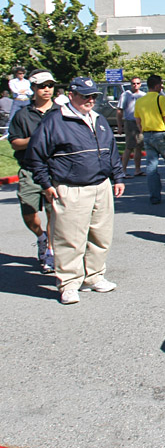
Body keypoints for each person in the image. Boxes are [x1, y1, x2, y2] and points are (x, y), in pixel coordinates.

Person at [24, 77, 125, 305]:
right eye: (84, 96)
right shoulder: (55, 121)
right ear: (71, 95)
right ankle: (69, 284)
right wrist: (46, 184)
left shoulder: (98, 119)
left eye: (92, 96)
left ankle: (94, 276)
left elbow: (111, 152)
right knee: (69, 238)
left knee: (101, 236)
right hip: (70, 187)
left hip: (101, 186)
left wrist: (117, 177)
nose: (89, 100)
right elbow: (36, 156)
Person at [8, 70, 57, 272]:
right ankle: (41, 237)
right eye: (42, 86)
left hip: (54, 170)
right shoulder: (22, 115)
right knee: (28, 213)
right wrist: (35, 139)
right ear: (33, 89)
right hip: (29, 170)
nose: (46, 90)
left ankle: (50, 253)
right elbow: (15, 142)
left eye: (50, 85)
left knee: (53, 213)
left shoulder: (61, 112)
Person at [134, 75, 165, 204]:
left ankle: (155, 196)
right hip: (161, 134)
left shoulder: (140, 101)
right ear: (156, 86)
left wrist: (143, 131)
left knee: (151, 167)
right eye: (161, 85)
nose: (162, 87)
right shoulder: (159, 99)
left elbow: (138, 121)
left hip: (147, 134)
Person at [117, 76, 146, 177]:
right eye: (134, 83)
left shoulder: (143, 95)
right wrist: (120, 125)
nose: (135, 85)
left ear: (140, 84)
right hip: (130, 122)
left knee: (139, 146)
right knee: (129, 146)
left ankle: (137, 170)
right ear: (131, 84)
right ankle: (123, 170)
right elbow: (119, 110)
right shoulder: (126, 95)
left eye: (138, 83)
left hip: (140, 123)